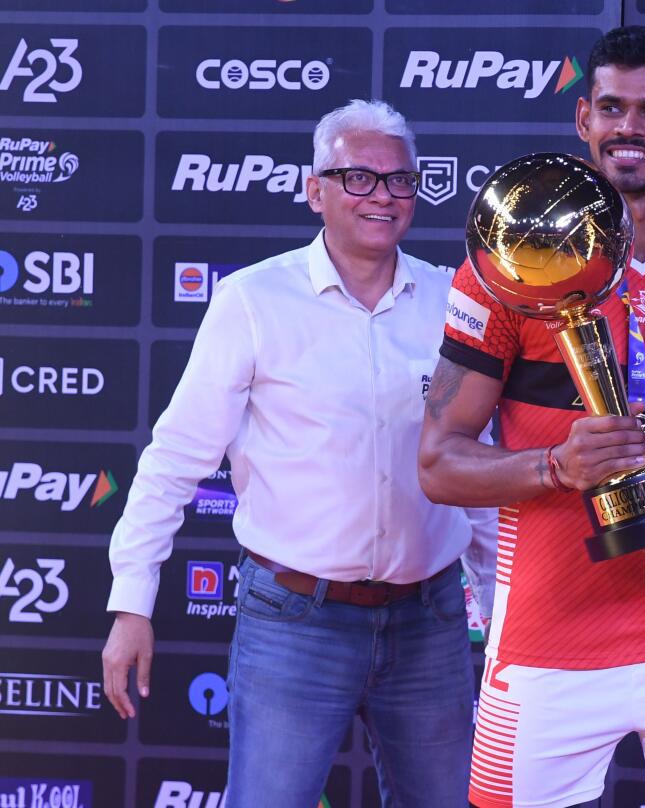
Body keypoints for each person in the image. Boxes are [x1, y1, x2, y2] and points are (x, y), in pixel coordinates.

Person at [418, 27, 645, 808]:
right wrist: (555, 467)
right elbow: (438, 463)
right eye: (613, 108)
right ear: (584, 119)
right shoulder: (503, 273)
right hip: (547, 645)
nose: (631, 128)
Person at [102, 99, 495, 808]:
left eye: (400, 180)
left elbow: (482, 468)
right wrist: (132, 604)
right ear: (315, 190)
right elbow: (174, 460)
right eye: (358, 178)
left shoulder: (454, 302)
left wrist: (501, 612)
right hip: (295, 620)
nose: (383, 196)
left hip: (431, 621)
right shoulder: (253, 301)